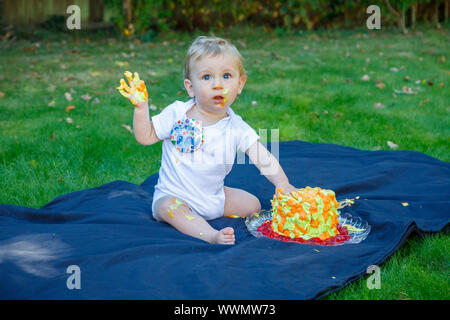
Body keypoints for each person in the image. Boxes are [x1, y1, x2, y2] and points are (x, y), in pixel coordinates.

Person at [117, 36, 297, 245]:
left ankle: (208, 213)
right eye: (207, 77)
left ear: (240, 84)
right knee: (169, 208)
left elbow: (261, 156)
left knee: (253, 205)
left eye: (226, 76)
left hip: (213, 195)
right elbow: (145, 137)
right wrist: (141, 109)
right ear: (190, 87)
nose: (218, 85)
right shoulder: (177, 113)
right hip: (175, 195)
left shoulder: (236, 126)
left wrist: (282, 183)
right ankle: (210, 234)